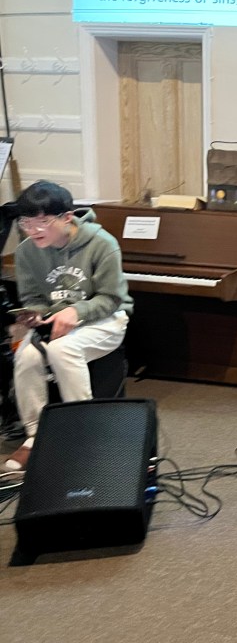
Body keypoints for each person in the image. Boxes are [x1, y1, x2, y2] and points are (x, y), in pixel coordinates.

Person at [3, 180, 132, 472]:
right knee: (26, 356)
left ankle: (82, 434)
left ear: (67, 217)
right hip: (57, 321)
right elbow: (33, 298)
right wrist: (34, 314)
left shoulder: (102, 244)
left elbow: (112, 298)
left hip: (107, 319)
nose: (33, 230)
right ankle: (36, 435)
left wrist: (76, 311)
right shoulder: (26, 252)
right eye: (25, 223)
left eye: (42, 222)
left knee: (62, 350)